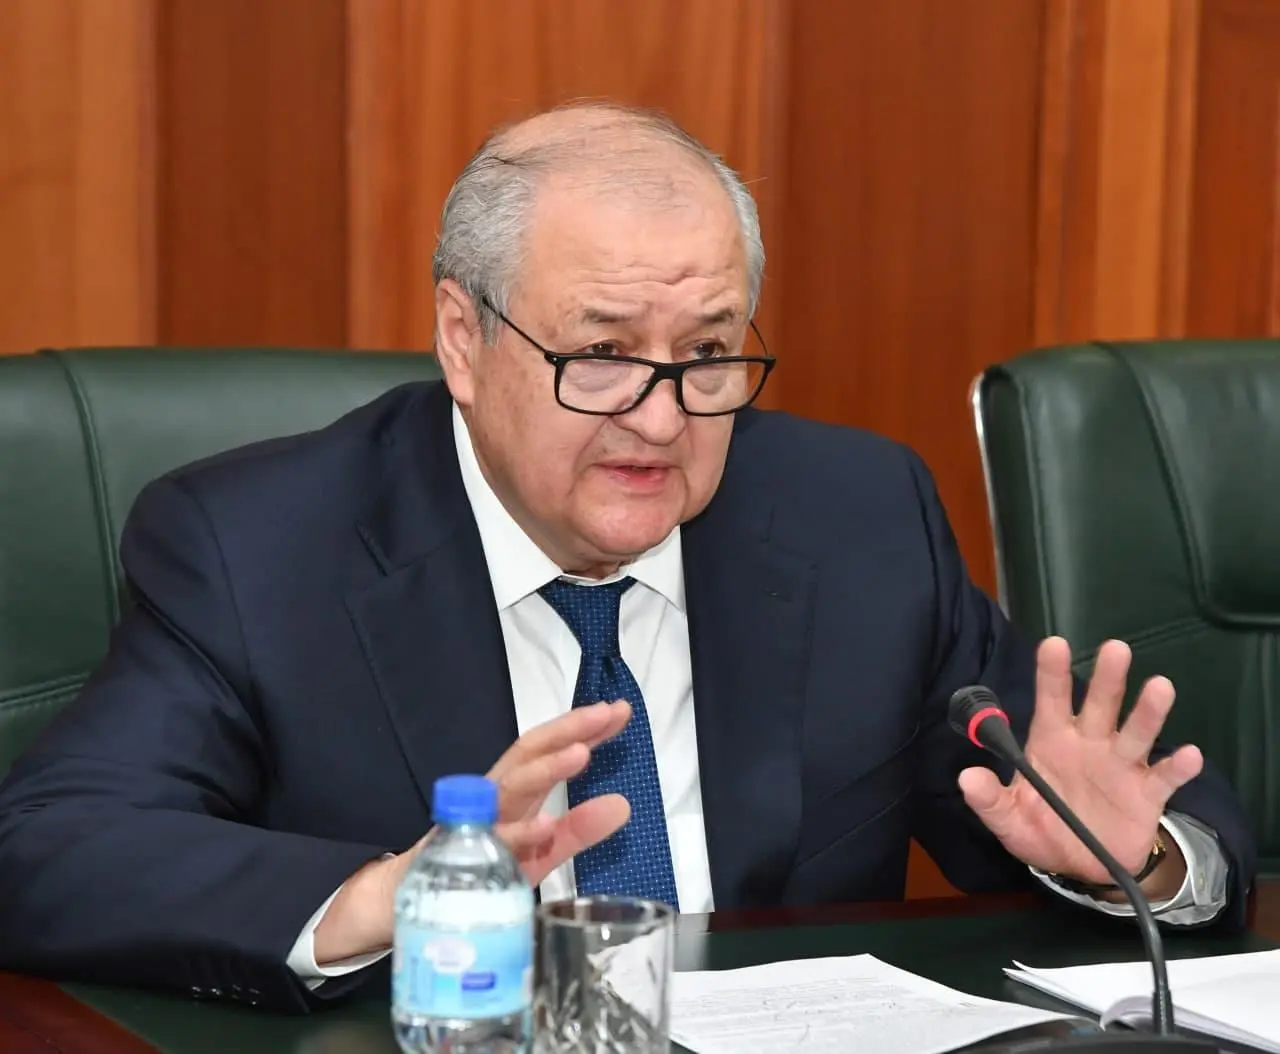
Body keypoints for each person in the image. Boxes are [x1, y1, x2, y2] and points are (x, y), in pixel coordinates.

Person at [0, 102, 1255, 1014]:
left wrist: (1129, 856)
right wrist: (392, 892)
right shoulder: (256, 543)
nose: (660, 420)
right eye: (600, 353)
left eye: (706, 352)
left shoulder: (853, 517)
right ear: (462, 337)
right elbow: (50, 847)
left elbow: (1109, 807)